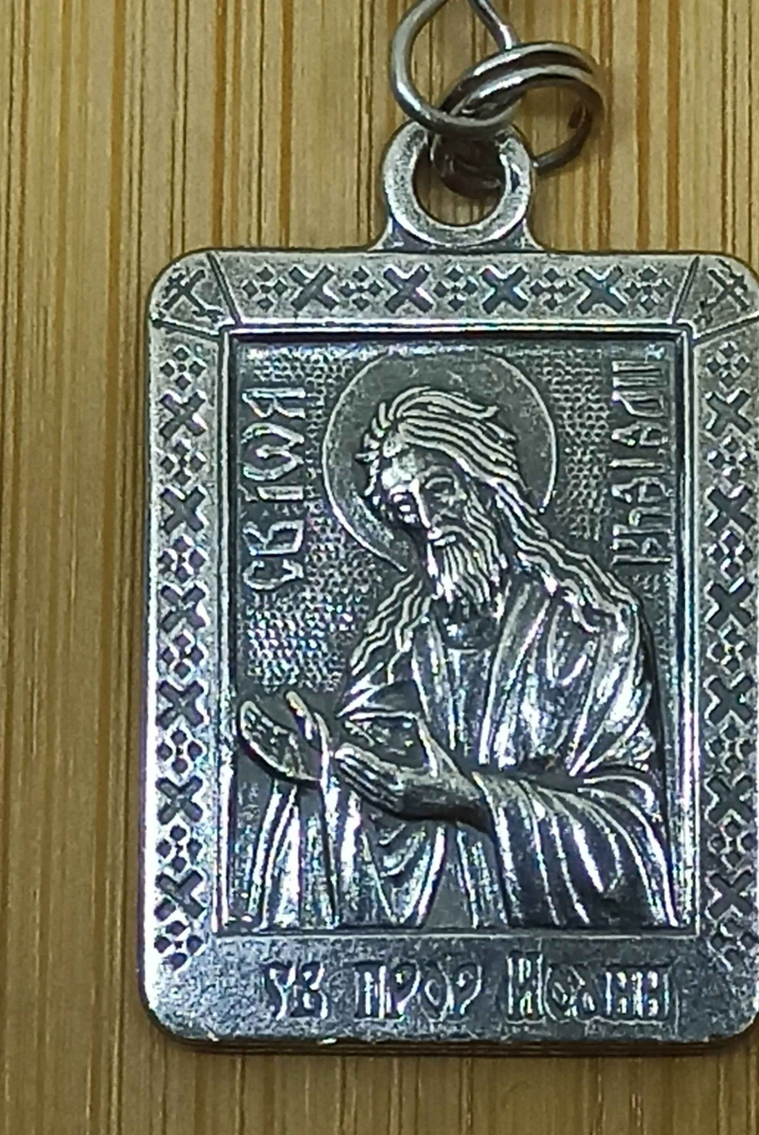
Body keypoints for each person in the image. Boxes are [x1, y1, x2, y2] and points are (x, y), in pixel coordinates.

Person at [240, 385, 677, 931]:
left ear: (486, 482)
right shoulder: (398, 636)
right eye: (405, 507)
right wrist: (328, 760)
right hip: (422, 929)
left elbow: (630, 827)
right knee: (300, 818)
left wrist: (472, 799)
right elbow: (378, 763)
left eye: (440, 489)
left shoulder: (592, 622)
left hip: (546, 928)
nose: (428, 520)